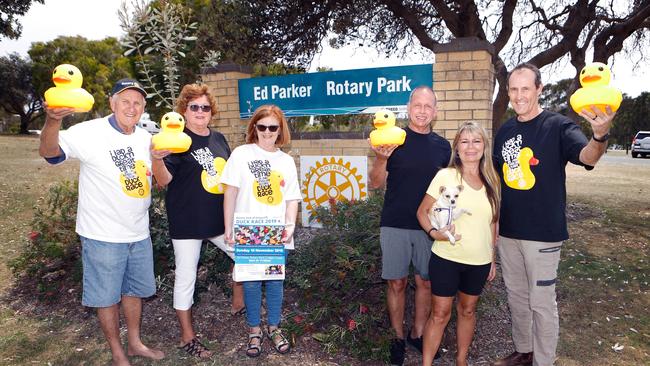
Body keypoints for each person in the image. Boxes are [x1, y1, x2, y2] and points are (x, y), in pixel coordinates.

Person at [491, 63, 615, 366]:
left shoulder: (558, 126)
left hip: (543, 234)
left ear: (539, 90)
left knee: (542, 303)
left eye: (526, 89)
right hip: (509, 232)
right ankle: (524, 351)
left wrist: (599, 136)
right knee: (517, 298)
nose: (519, 96)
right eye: (513, 89)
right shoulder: (505, 130)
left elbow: (587, 157)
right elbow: (496, 178)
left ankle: (544, 361)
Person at [39, 79, 164, 366]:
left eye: (137, 102)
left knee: (134, 292)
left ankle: (134, 343)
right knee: (106, 297)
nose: (131, 107)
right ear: (111, 103)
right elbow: (50, 153)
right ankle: (117, 351)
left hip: (138, 232)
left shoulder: (145, 138)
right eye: (125, 101)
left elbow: (155, 181)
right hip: (102, 234)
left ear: (144, 107)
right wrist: (52, 121)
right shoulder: (89, 133)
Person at [151, 83, 243, 358]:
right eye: (194, 107)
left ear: (211, 111)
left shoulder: (219, 139)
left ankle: (237, 296)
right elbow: (163, 180)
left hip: (220, 219)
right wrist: (156, 159)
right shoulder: (175, 140)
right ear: (184, 111)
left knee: (247, 256)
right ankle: (187, 336)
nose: (200, 112)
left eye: (205, 107)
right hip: (187, 221)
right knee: (186, 277)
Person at [368, 86, 452, 365]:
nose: (423, 110)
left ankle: (417, 333)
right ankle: (397, 338)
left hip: (429, 224)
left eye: (429, 106)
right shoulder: (393, 139)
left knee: (426, 282)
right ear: (408, 107)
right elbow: (376, 183)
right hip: (394, 222)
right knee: (397, 282)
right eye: (418, 105)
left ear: (435, 112)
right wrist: (382, 158)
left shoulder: (443, 146)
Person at [416, 121, 501, 365]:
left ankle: (461, 360)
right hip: (446, 258)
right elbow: (422, 211)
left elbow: (493, 222)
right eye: (464, 141)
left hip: (479, 261)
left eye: (476, 141)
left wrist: (492, 259)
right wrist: (434, 232)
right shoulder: (446, 175)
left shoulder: (492, 180)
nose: (471, 147)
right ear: (457, 147)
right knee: (440, 314)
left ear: (484, 146)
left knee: (468, 311)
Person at [220, 104, 301, 358]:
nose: (267, 132)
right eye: (262, 126)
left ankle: (274, 328)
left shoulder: (286, 161)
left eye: (272, 127)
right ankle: (254, 330)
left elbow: (292, 199)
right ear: (254, 127)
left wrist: (290, 226)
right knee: (252, 283)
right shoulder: (242, 154)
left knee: (276, 282)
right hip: (249, 230)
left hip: (276, 232)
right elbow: (230, 193)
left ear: (280, 130)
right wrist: (228, 226)